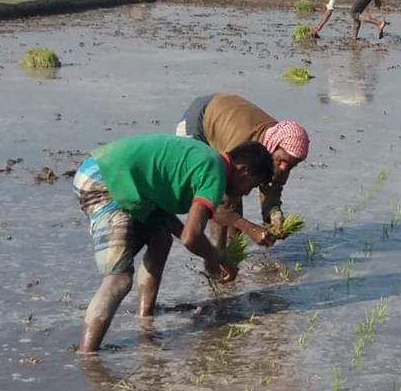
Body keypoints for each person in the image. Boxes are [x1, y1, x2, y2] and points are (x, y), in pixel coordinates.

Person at [73, 135, 274, 353]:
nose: (246, 192)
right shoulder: (215, 173)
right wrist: (218, 257)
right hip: (105, 180)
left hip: (116, 177)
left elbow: (169, 221)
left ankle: (145, 318)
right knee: (119, 279)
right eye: (252, 186)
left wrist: (212, 255)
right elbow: (191, 236)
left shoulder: (206, 159)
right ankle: (87, 356)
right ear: (244, 170)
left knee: (160, 238)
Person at [175, 93, 310, 248]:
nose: (284, 168)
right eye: (282, 161)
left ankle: (229, 254)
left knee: (235, 198)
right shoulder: (242, 144)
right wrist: (249, 229)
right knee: (216, 190)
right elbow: (221, 197)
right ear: (273, 147)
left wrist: (273, 215)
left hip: (226, 113)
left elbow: (272, 184)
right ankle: (218, 256)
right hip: (199, 121)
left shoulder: (279, 145)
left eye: (292, 165)